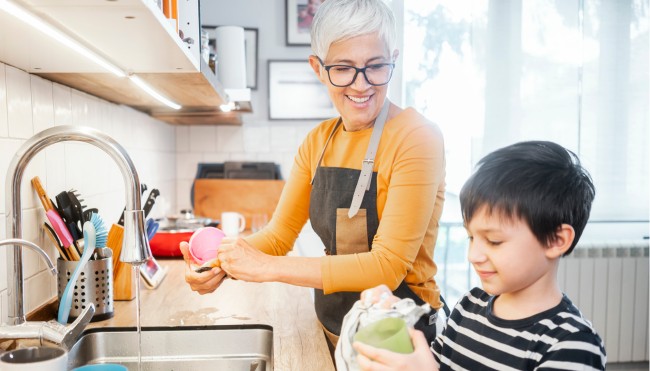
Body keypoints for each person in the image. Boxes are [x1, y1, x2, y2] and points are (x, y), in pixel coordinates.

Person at [180, 0, 447, 357]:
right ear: (318, 69)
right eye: (343, 68)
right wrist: (220, 264)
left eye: (375, 66)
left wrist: (267, 268)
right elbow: (278, 237)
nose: (360, 83)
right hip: (334, 331)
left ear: (393, 59)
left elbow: (387, 266)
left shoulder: (416, 137)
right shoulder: (318, 142)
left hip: (400, 343)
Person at [353, 141, 607, 370]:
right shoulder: (468, 307)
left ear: (556, 240)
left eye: (494, 241)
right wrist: (388, 320)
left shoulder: (571, 345)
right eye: (471, 237)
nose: (473, 255)